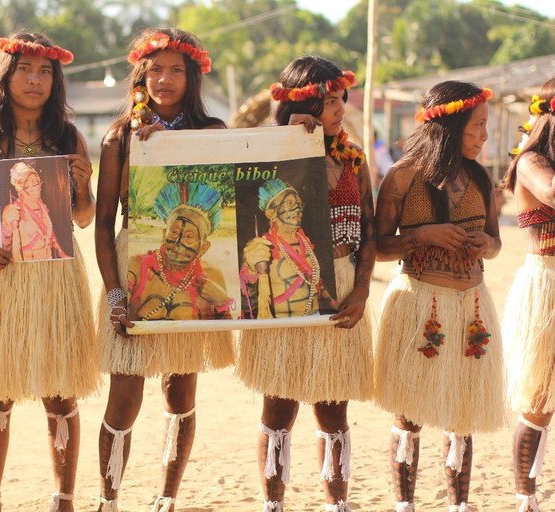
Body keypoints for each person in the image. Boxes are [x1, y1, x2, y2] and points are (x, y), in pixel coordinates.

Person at [0, 32, 99, 512]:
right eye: (24, 70)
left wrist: (83, 186)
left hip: (57, 274)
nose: (35, 80)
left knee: (60, 390)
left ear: (56, 79)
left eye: (45, 71)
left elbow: (84, 217)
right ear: (5, 77)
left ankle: (64, 498)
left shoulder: (69, 137)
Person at [94, 27, 234, 512]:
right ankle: (108, 499)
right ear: (141, 74)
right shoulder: (120, 137)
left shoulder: (214, 133)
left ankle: (166, 498)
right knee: (125, 394)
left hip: (194, 277)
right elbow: (103, 224)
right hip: (135, 273)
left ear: (192, 76)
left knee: (180, 391)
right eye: (156, 69)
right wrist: (115, 294)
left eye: (176, 69)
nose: (165, 78)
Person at [236, 56, 376, 512]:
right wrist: (287, 140)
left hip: (342, 285)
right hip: (284, 289)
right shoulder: (269, 153)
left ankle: (337, 504)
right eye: (328, 101)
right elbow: (239, 181)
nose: (338, 110)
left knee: (333, 408)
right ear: (305, 105)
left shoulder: (355, 161)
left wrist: (361, 291)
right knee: (278, 406)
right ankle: (272, 504)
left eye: (340, 100)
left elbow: (369, 233)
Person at [374, 81, 504, 512]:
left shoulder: (481, 178)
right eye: (478, 126)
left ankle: (458, 506)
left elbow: (498, 243)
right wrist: (422, 235)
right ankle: (404, 504)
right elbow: (376, 248)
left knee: (462, 412)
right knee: (409, 412)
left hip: (472, 308)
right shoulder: (403, 176)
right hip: (418, 302)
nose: (484, 136)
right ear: (450, 126)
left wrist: (486, 245)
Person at [502, 79, 555, 512]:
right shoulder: (531, 161)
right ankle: (527, 497)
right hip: (547, 287)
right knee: (539, 400)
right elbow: (553, 192)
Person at [127, 182, 233, 321]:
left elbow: (222, 336)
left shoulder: (212, 277)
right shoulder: (137, 266)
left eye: (189, 236)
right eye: (174, 232)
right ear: (164, 234)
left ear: (203, 247)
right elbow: (118, 303)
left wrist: (222, 302)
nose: (179, 242)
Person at [240, 178, 333, 319]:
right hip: (285, 327)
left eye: (299, 204)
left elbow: (315, 280)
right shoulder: (260, 247)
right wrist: (252, 271)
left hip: (316, 319)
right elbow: (247, 300)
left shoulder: (305, 241)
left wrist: (332, 302)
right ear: (271, 214)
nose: (297, 208)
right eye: (290, 203)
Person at [0, 161, 68, 260]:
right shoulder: (12, 210)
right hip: (28, 266)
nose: (37, 187)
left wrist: (61, 253)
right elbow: (5, 244)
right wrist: (8, 225)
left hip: (48, 260)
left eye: (37, 182)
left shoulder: (42, 206)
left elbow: (50, 234)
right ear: (20, 187)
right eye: (31, 184)